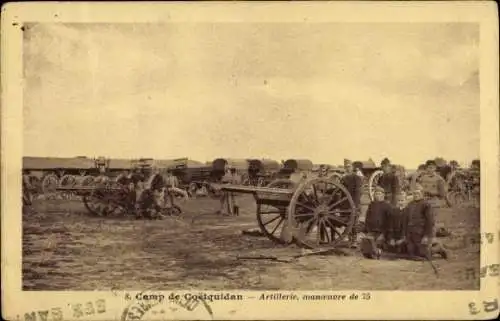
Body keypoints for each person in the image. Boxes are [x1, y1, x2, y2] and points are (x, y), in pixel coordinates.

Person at [405, 184, 447, 260]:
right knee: (410, 252)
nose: (416, 195)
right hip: (411, 233)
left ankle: (438, 248)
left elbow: (430, 222)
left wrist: (426, 236)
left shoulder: (426, 205)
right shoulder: (410, 204)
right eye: (414, 193)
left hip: (421, 232)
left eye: (418, 193)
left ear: (422, 194)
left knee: (423, 253)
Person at [360, 186, 392, 259]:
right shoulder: (372, 205)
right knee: (366, 245)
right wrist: (366, 229)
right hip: (372, 230)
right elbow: (367, 217)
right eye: (376, 194)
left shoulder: (387, 206)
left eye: (379, 194)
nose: (377, 195)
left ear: (383, 195)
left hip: (382, 231)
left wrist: (385, 233)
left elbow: (389, 221)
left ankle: (378, 253)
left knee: (378, 244)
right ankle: (371, 254)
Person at [340, 159, 363, 248]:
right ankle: (349, 239)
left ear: (352, 167)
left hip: (354, 203)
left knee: (354, 222)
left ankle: (354, 241)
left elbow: (358, 192)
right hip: (345, 203)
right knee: (347, 221)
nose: (347, 168)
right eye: (346, 167)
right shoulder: (343, 178)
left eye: (349, 166)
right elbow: (341, 191)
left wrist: (355, 205)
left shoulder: (356, 178)